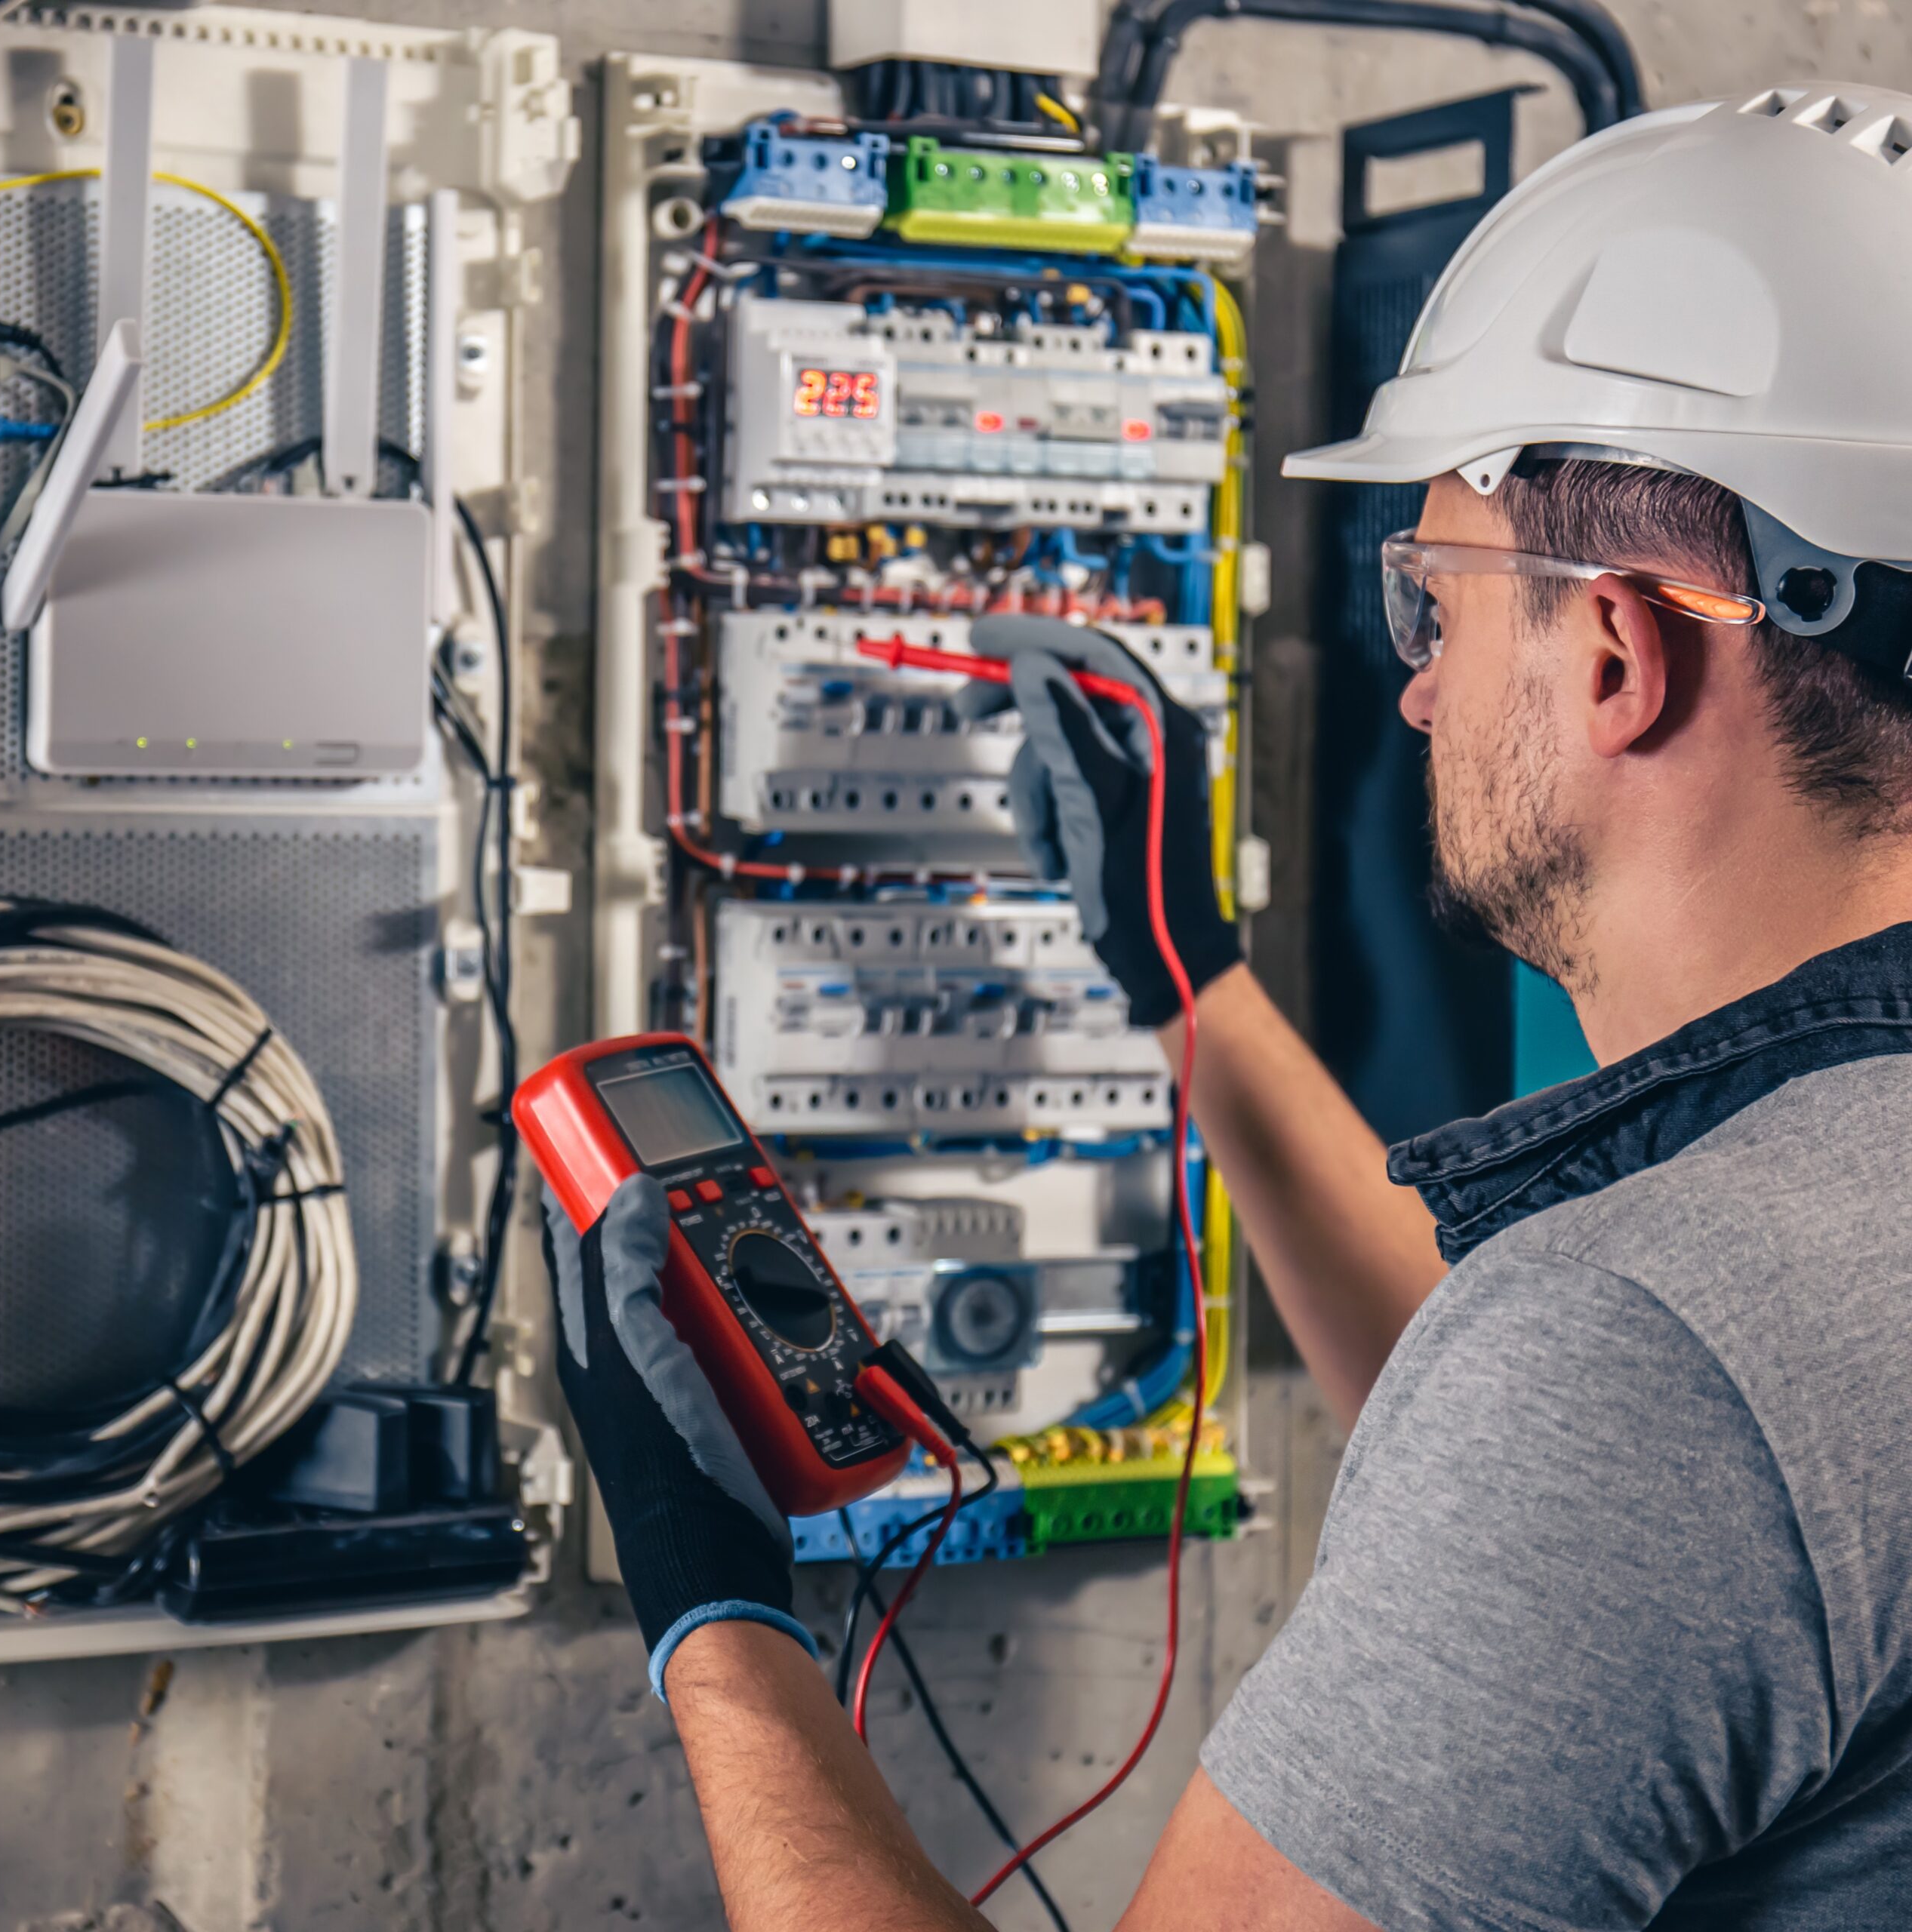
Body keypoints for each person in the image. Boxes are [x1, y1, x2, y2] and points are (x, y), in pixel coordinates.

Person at [544, 82, 1912, 1927]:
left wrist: (714, 1612)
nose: (1415, 695)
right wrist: (1190, 987)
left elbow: (1628, 1430)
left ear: (1613, 650)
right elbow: (1613, 1531)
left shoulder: (1652, 1359)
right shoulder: (1766, 1289)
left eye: (1433, 604)